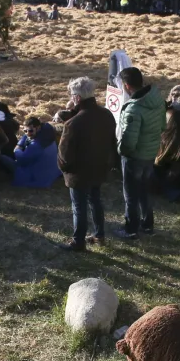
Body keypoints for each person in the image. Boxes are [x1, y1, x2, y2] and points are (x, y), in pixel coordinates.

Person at [57, 76, 117, 251]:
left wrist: (64, 169)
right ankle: (99, 235)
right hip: (99, 167)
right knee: (95, 200)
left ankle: (78, 241)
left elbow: (64, 155)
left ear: (76, 98)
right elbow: (112, 142)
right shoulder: (106, 114)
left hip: (79, 173)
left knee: (79, 207)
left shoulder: (73, 123)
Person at [113, 67, 163, 239]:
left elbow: (128, 142)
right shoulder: (156, 99)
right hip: (150, 153)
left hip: (134, 157)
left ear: (127, 86)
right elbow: (163, 126)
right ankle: (147, 224)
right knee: (144, 191)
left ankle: (131, 229)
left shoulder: (134, 109)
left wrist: (120, 150)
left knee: (131, 194)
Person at [12, 117, 61, 188]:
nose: (27, 133)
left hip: (40, 177)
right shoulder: (47, 131)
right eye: (25, 131)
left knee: (4, 158)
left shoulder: (36, 145)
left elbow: (22, 159)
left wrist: (17, 150)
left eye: (30, 131)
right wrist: (20, 144)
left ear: (38, 128)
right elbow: (26, 137)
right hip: (53, 171)